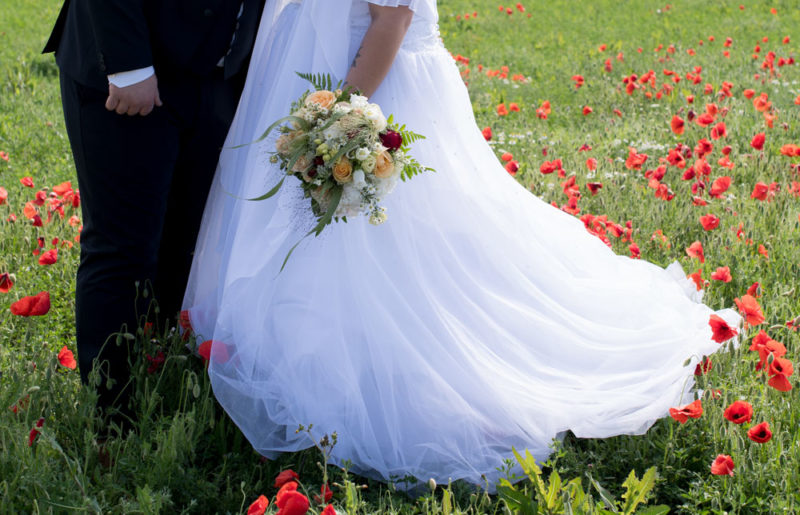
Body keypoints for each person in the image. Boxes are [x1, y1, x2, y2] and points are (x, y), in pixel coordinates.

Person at [182, 0, 741, 487]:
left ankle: (386, 364)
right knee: (314, 240)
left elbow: (390, 20)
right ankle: (302, 343)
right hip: (312, 74)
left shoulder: (353, 101)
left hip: (373, 89)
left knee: (397, 243)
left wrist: (339, 127)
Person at [43, 0, 265, 427]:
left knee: (185, 242)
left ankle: (156, 383)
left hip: (218, 75)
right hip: (131, 70)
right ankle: (112, 416)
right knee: (122, 249)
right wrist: (128, 65)